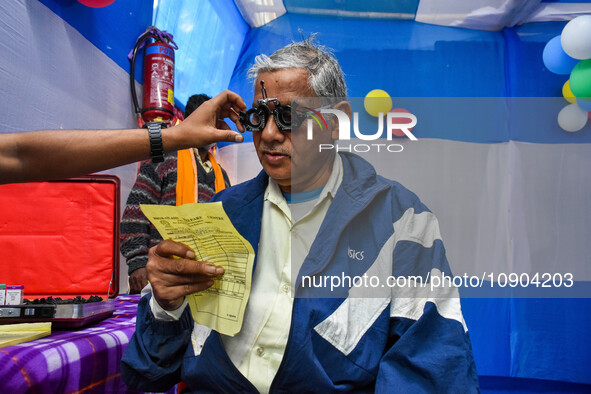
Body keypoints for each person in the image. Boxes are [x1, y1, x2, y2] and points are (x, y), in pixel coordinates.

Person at [121, 37, 479, 392]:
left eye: (289, 117)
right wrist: (166, 306)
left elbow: (432, 373)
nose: (270, 134)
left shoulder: (403, 222)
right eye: (259, 116)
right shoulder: (219, 213)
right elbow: (149, 372)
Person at [0, 90, 245, 185]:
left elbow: (21, 156)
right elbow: (19, 156)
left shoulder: (220, 175)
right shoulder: (165, 162)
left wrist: (176, 136)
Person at [121, 94, 232, 294]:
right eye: (207, 122)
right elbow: (135, 213)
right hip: (161, 278)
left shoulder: (221, 176)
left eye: (215, 124)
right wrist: (137, 264)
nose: (213, 129)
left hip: (206, 280)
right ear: (192, 122)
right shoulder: (165, 159)